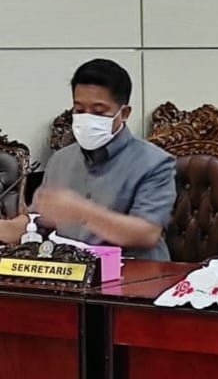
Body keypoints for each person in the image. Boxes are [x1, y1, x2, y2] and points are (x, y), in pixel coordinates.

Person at [0, 60, 176, 259]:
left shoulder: (155, 163)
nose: (87, 118)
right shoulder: (61, 159)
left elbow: (147, 233)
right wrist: (6, 228)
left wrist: (81, 211)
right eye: (79, 110)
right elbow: (36, 223)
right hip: (71, 274)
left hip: (134, 275)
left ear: (124, 113)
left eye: (99, 112)